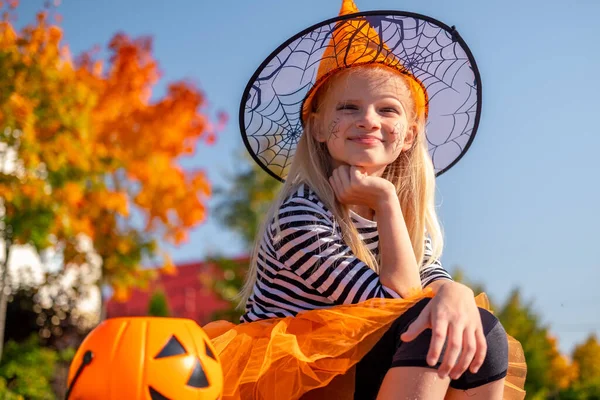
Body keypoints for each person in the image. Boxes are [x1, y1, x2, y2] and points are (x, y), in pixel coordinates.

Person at [204, 1, 527, 399]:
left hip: (354, 373)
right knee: (425, 325)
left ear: (408, 135)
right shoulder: (300, 215)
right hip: (290, 384)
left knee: (481, 329)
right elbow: (397, 305)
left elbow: (433, 284)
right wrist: (387, 201)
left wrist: (455, 292)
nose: (368, 120)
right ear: (319, 127)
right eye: (348, 107)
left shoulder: (406, 219)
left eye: (387, 109)